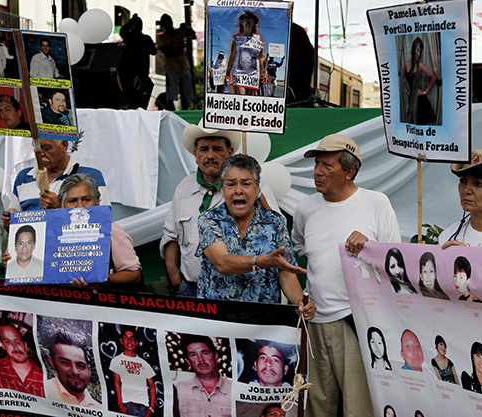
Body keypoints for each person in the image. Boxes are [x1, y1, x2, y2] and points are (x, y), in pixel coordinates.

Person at [292, 133, 400, 417]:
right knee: (316, 402)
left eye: (327, 165)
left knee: (357, 405)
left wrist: (369, 247)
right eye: (317, 164)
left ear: (349, 171)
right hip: (314, 319)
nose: (317, 171)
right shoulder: (305, 208)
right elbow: (301, 250)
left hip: (355, 321)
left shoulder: (377, 204)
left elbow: (394, 262)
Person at [160, 122, 279, 297]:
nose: (210, 155)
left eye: (217, 149)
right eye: (204, 150)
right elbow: (171, 235)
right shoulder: (183, 188)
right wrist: (174, 274)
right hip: (191, 288)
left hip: (237, 292)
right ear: (195, 154)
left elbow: (276, 230)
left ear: (230, 153)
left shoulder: (252, 188)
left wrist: (258, 200)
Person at [196, 154, 316, 320]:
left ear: (257, 190)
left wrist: (299, 303)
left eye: (246, 184)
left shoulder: (275, 222)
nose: (238, 190)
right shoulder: (209, 220)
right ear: (223, 190)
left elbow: (286, 272)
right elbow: (222, 263)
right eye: (231, 184)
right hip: (218, 321)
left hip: (264, 323)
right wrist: (262, 261)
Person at [4, 174, 142, 289]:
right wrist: (14, 263)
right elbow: (35, 271)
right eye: (72, 201)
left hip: (98, 308)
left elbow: (134, 275)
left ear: (96, 203)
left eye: (86, 199)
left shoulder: (111, 230)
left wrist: (100, 280)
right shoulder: (47, 233)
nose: (80, 206)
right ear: (62, 206)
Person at [3, 138, 110, 228]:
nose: (41, 154)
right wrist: (9, 222)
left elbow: (104, 222)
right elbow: (15, 228)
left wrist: (59, 209)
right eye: (36, 148)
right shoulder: (23, 178)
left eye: (46, 148)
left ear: (64, 145)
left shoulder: (91, 176)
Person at [173, 335, 231, 417]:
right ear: (188, 361)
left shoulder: (233, 389)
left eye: (205, 353)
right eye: (193, 355)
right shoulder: (179, 390)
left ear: (216, 357)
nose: (201, 360)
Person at [46, 331, 100, 408]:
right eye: (65, 363)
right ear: (52, 362)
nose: (75, 372)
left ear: (89, 370)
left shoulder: (98, 408)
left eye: (81, 366)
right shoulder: (40, 389)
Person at [109, 326, 156, 416]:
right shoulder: (116, 360)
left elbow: (152, 386)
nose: (129, 341)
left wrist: (152, 409)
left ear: (136, 343)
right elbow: (117, 383)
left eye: (132, 338)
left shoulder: (144, 363)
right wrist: (120, 405)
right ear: (121, 341)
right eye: (126, 338)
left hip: (144, 408)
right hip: (127, 406)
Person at [0, 320, 44, 396]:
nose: (15, 348)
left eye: (17, 342)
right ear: (2, 345)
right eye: (8, 342)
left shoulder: (44, 375)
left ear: (25, 345)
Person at [118, 14, 157, 109]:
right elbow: (122, 31)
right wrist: (131, 21)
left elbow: (154, 51)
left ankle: (138, 106)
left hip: (141, 70)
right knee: (131, 91)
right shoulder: (129, 37)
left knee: (141, 93)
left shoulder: (145, 38)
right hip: (130, 70)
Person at [157, 14, 195, 110]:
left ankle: (185, 114)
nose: (168, 25)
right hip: (171, 68)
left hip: (184, 66)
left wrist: (186, 27)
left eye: (169, 23)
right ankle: (171, 113)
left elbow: (193, 34)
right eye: (166, 24)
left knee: (186, 96)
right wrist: (179, 46)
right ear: (163, 26)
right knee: (171, 95)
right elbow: (167, 52)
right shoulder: (162, 38)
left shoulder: (179, 32)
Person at [225, 11, 266, 95]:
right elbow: (232, 56)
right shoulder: (237, 39)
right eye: (245, 20)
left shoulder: (258, 39)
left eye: (250, 20)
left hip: (253, 74)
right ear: (241, 23)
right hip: (239, 74)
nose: (248, 22)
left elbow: (261, 57)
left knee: (249, 100)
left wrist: (264, 73)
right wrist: (228, 73)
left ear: (254, 23)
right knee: (241, 98)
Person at [400, 37, 437, 124]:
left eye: (420, 51)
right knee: (412, 122)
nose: (419, 53)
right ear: (413, 49)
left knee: (421, 123)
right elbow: (402, 78)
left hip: (420, 99)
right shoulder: (406, 64)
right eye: (417, 50)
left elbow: (434, 77)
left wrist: (424, 92)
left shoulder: (420, 65)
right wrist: (406, 90)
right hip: (411, 97)